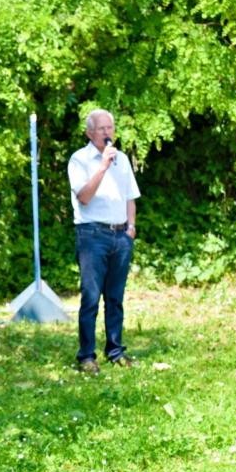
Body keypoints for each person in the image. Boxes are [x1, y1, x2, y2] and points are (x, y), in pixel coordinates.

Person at [67, 108, 140, 375]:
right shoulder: (80, 160)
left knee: (115, 298)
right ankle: (86, 356)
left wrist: (130, 228)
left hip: (120, 235)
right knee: (90, 297)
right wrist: (103, 166)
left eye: (110, 128)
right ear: (89, 133)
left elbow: (130, 196)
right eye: (101, 129)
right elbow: (84, 197)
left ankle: (115, 350)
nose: (107, 133)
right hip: (92, 235)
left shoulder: (122, 159)